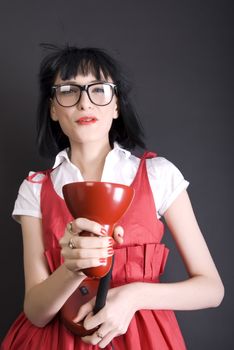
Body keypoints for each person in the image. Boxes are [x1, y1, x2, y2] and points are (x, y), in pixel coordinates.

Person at [1, 45, 224, 350]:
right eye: (68, 90)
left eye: (99, 90)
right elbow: (36, 313)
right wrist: (71, 268)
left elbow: (212, 289)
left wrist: (132, 297)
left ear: (116, 104)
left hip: (144, 340)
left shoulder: (158, 175)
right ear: (53, 108)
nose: (84, 103)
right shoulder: (35, 189)